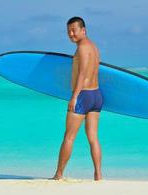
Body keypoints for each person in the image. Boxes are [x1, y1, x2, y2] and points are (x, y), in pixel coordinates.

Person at [53, 17, 103, 181]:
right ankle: (98, 175)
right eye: (68, 31)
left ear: (84, 30)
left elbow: (82, 73)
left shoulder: (82, 47)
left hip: (83, 95)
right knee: (93, 138)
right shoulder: (94, 47)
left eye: (74, 30)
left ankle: (58, 174)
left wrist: (74, 97)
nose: (71, 34)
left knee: (69, 137)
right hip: (96, 95)